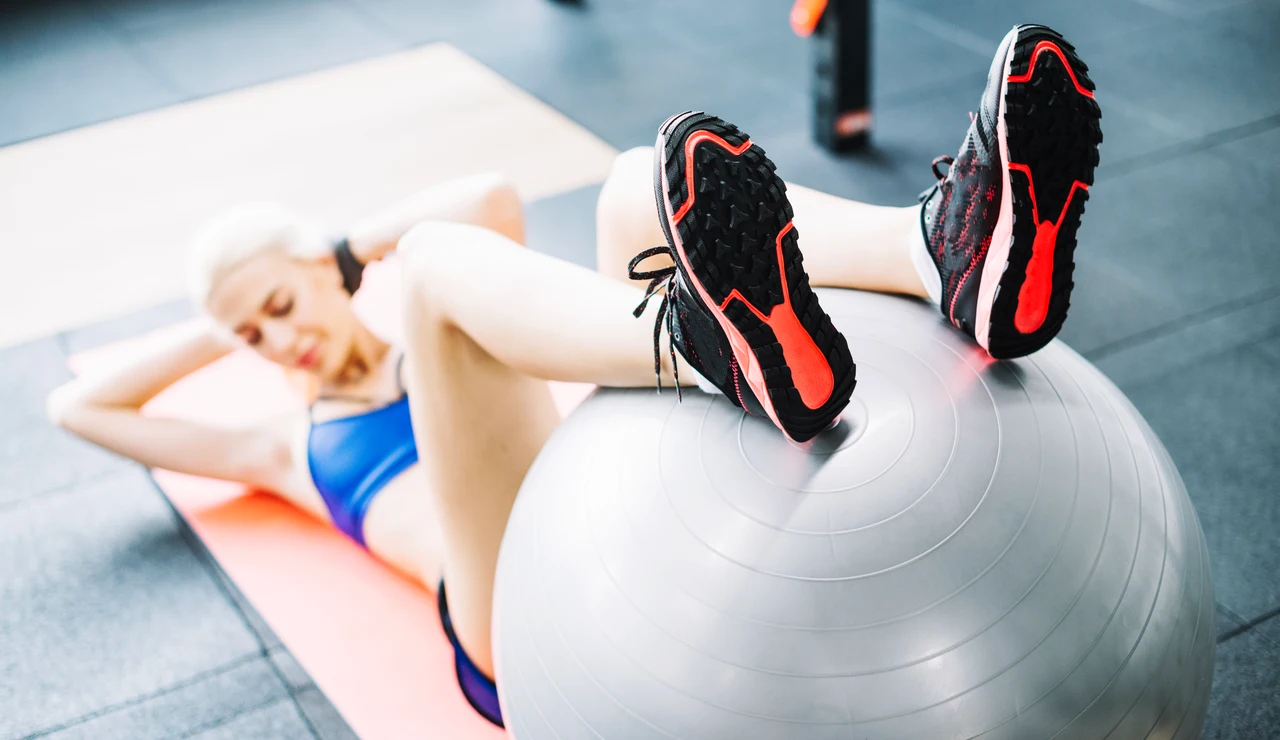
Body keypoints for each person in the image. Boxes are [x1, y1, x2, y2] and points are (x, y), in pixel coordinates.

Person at [48, 24, 1100, 728]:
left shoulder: (390, 302)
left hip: (606, 516)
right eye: (254, 338)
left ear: (325, 273)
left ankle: (942, 250)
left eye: (282, 307)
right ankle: (700, 342)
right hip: (511, 623)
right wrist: (224, 319)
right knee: (437, 265)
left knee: (629, 186)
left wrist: (331, 254)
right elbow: (79, 404)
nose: (278, 341)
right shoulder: (282, 441)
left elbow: (491, 193)